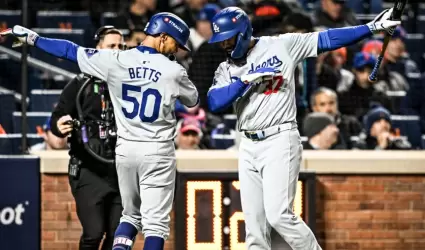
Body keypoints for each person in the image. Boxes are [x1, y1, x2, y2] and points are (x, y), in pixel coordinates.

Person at [206, 6, 400, 250]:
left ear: (242, 32)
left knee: (278, 215)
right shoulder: (226, 69)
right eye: (221, 41)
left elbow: (327, 39)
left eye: (228, 39)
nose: (224, 45)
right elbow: (214, 102)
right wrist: (246, 81)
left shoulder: (281, 45)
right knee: (254, 229)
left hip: (279, 138)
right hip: (247, 144)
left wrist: (370, 28)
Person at [1, 12, 198, 250]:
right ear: (163, 36)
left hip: (125, 151)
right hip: (157, 151)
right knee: (155, 226)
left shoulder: (115, 59)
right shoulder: (173, 71)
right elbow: (193, 99)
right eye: (175, 43)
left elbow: (69, 50)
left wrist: (34, 39)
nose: (176, 50)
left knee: (129, 216)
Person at [51, 26, 125, 250]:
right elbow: (57, 119)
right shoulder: (79, 84)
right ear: (97, 48)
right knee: (94, 233)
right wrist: (59, 126)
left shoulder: (130, 83)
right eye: (111, 46)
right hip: (88, 169)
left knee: (118, 237)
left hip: (122, 171)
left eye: (121, 46)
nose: (116, 51)